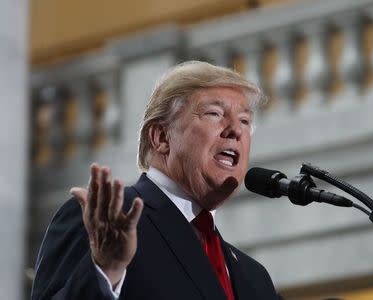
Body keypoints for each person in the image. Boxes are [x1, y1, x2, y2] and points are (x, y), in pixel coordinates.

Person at [31, 61, 283, 300]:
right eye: (214, 113)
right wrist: (105, 271)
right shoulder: (105, 220)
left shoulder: (255, 279)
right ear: (161, 137)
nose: (235, 130)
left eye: (245, 121)